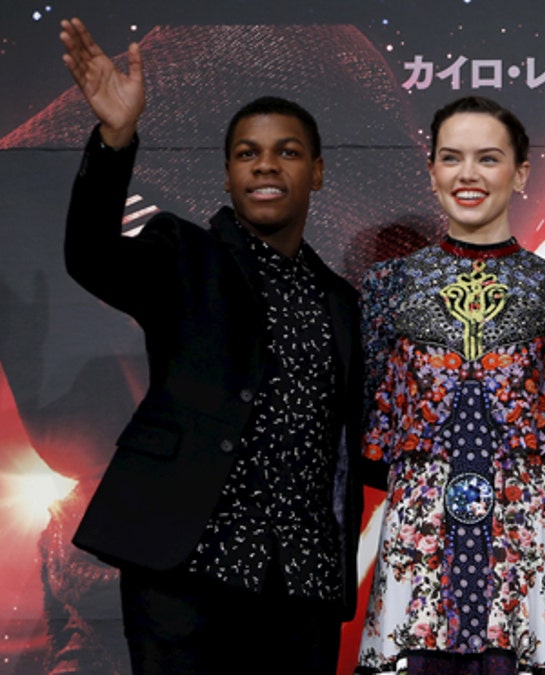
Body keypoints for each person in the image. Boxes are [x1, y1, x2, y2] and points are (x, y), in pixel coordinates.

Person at [58, 17, 374, 673]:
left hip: (303, 583)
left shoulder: (344, 301)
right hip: (188, 570)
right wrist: (116, 139)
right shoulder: (183, 254)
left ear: (316, 172)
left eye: (286, 151)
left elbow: (360, 438)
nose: (265, 163)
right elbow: (91, 256)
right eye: (246, 152)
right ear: (228, 175)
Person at [355, 95, 545, 675]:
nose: (469, 175)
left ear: (521, 172)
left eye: (488, 158)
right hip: (421, 542)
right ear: (432, 171)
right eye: (452, 158)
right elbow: (366, 408)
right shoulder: (391, 284)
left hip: (523, 538)